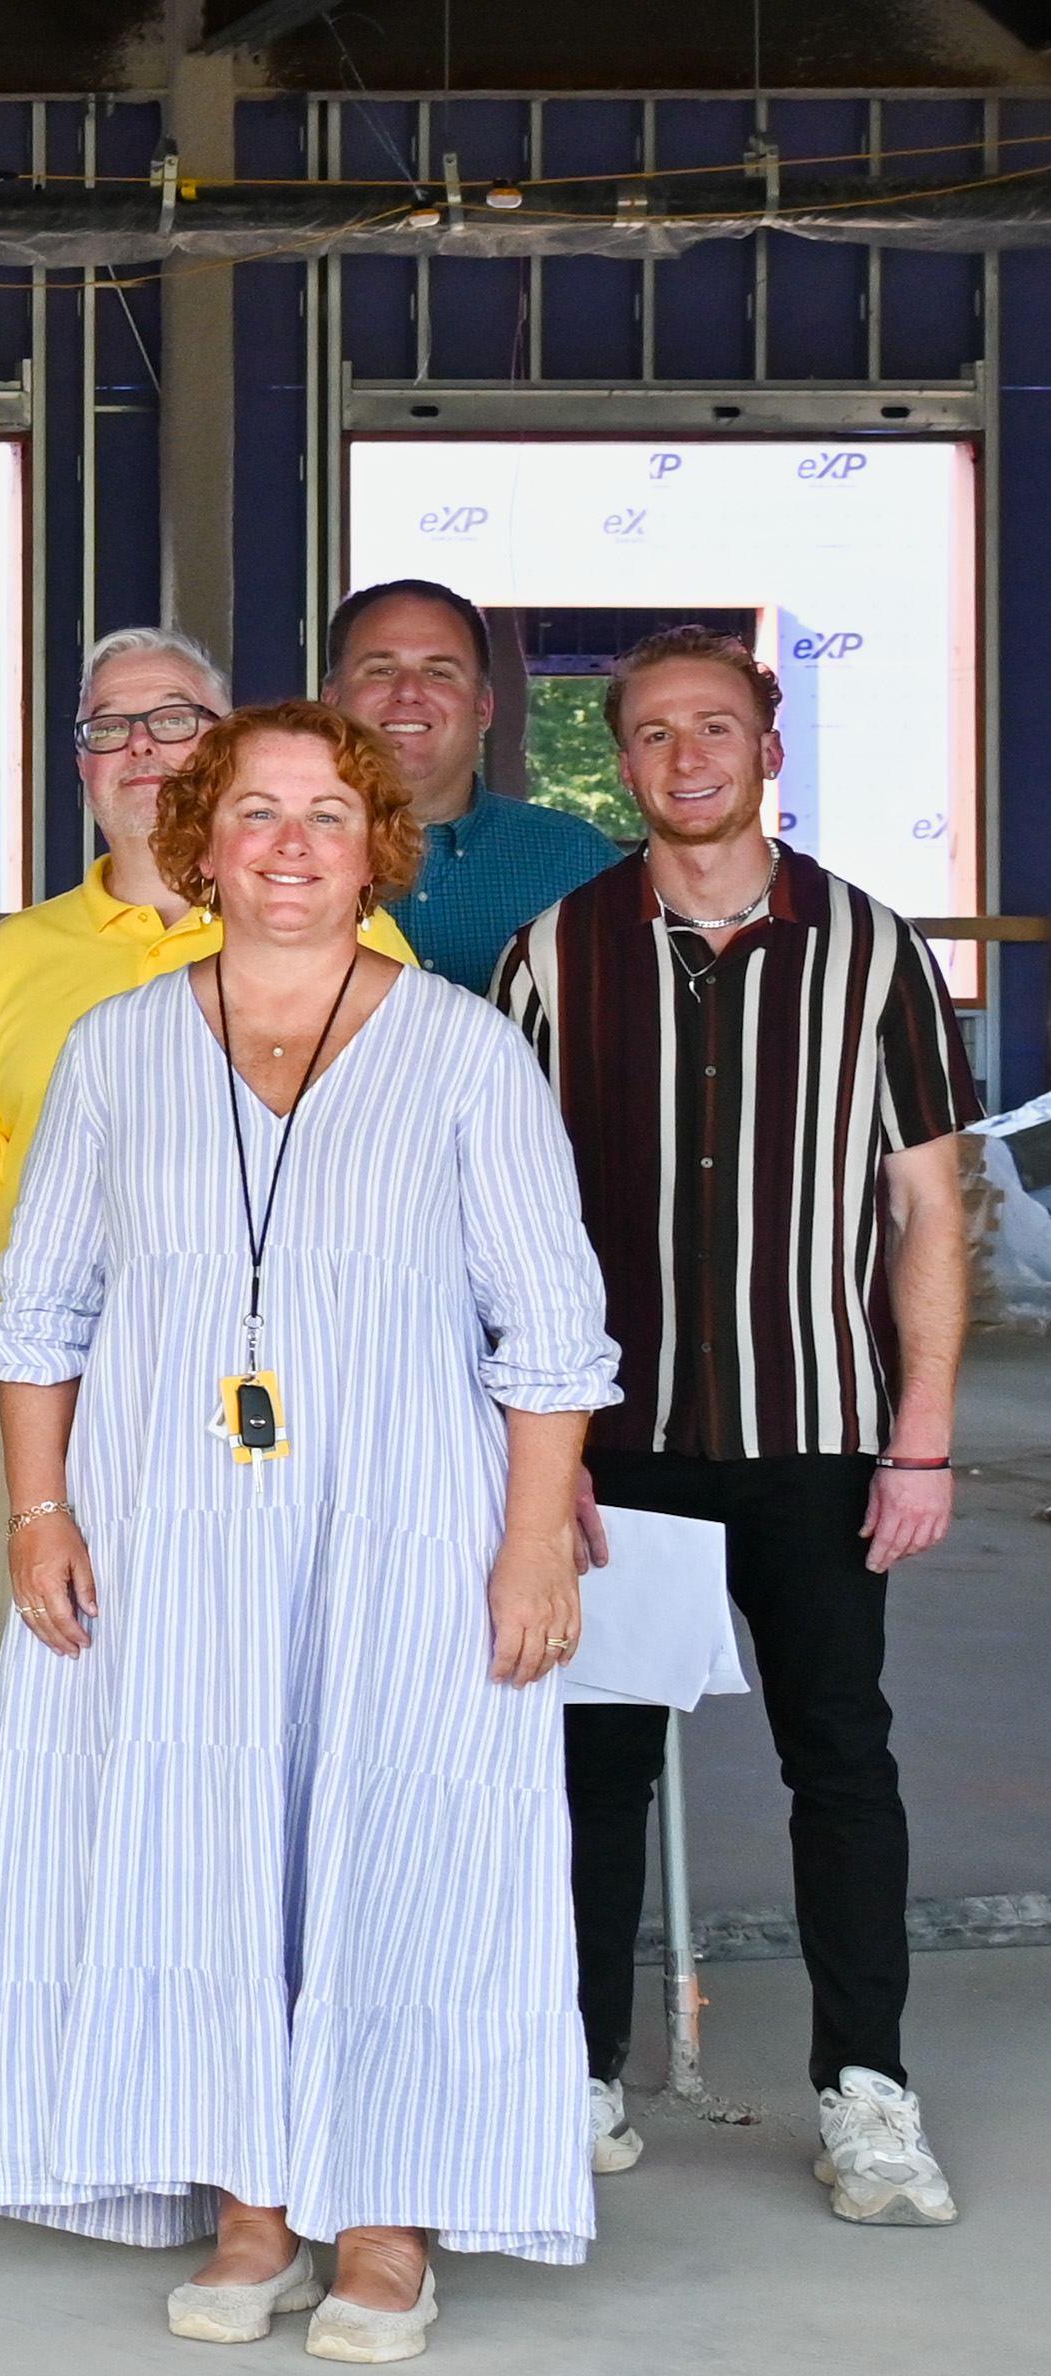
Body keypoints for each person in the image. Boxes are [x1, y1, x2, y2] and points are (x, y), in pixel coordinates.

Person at [0, 699, 617, 2367]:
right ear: (200, 842)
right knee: (197, 1830)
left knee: (400, 1841)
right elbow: (40, 1307)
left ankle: (380, 2223)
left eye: (322, 816)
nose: (286, 846)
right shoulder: (116, 1048)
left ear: (375, 850)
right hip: (167, 1527)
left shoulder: (458, 1049)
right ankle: (246, 2207)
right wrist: (41, 1512)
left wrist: (525, 1545)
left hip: (403, 1529)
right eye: (253, 815)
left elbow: (549, 1329)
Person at [493, 627, 973, 2226]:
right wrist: (526, 1459)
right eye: (649, 734)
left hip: (819, 1434)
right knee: (593, 1761)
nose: (684, 757)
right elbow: (500, 1217)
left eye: (716, 727)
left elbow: (926, 1211)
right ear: (616, 762)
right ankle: (574, 2069)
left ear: (769, 744)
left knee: (841, 1754)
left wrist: (923, 1438)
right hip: (615, 1447)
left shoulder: (876, 950)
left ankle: (867, 2091)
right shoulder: (554, 953)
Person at [0, 631, 410, 1629]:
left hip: (296, 1382)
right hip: (58, 1396)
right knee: (62, 1692)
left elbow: (419, 1183)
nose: (141, 746)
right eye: (108, 725)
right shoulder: (14, 957)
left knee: (261, 1695)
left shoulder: (344, 932)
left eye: (174, 718)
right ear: (78, 761)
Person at [323, 577, 620, 986]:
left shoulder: (577, 865)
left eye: (439, 672)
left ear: (483, 708)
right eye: (381, 669)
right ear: (331, 702)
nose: (408, 692)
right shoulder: (277, 856)